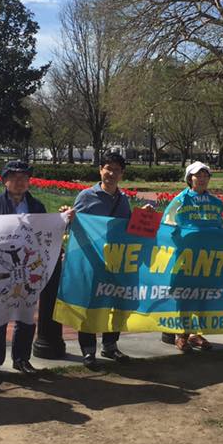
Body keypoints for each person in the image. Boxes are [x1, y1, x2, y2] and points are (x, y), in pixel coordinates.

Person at [0, 160, 72, 385]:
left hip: (25, 270)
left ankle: (21, 359)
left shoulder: (37, 206)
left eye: (24, 177)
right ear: (5, 180)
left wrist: (63, 220)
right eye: (14, 177)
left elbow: (46, 234)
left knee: (26, 316)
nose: (20, 182)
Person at [72, 150, 135, 369]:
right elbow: (75, 226)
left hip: (116, 261)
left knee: (114, 303)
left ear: (122, 174)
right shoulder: (86, 197)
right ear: (100, 170)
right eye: (108, 169)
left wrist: (141, 217)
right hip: (92, 260)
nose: (111, 173)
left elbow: (127, 228)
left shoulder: (124, 200)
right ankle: (88, 351)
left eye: (116, 170)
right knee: (90, 305)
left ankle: (110, 345)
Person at [160, 161, 223, 353]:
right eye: (198, 175)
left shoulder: (216, 203)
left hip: (208, 256)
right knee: (184, 294)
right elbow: (167, 224)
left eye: (206, 175)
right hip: (186, 256)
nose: (202, 179)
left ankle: (196, 333)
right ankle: (181, 334)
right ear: (190, 178)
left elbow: (221, 227)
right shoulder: (180, 201)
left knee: (203, 294)